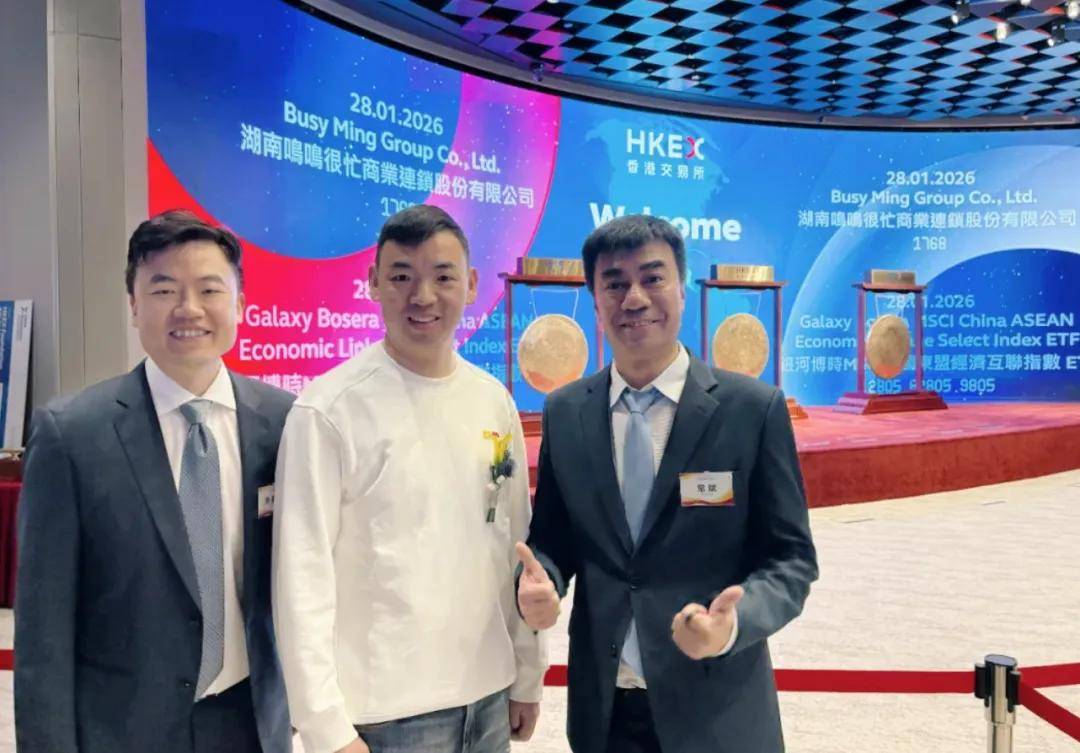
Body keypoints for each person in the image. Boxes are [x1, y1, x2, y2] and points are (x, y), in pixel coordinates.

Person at [516, 214, 818, 753]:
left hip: (717, 711)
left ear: (681, 288)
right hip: (605, 714)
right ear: (595, 300)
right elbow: (554, 540)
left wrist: (733, 624)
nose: (634, 299)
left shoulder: (752, 409)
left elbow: (791, 560)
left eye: (652, 278)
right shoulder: (565, 412)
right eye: (614, 283)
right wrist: (543, 583)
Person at [15, 210, 293, 753]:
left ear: (240, 304)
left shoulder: (284, 423)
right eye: (164, 290)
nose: (188, 309)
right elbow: (43, 631)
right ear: (134, 305)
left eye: (209, 289)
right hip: (123, 730)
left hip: (252, 724)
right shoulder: (72, 434)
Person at [273, 204, 546, 753]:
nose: (423, 297)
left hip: (488, 699)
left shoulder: (492, 401)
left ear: (471, 285)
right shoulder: (329, 409)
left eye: (443, 277)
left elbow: (517, 548)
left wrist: (526, 673)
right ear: (373, 283)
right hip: (385, 717)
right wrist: (325, 728)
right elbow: (301, 576)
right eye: (402, 277)